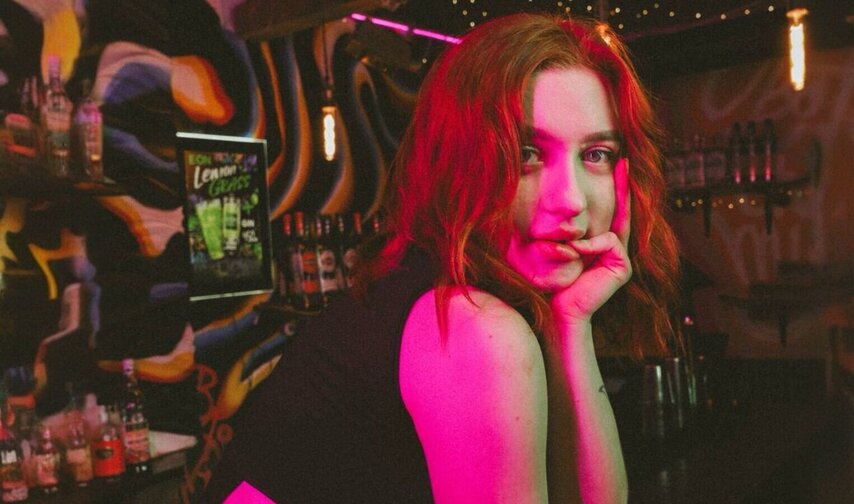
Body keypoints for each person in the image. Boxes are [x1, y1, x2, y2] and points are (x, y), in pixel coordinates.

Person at [203, 12, 678, 504]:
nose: (572, 200)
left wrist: (570, 325)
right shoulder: (473, 326)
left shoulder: (460, 293)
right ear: (458, 161)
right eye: (526, 153)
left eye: (596, 154)